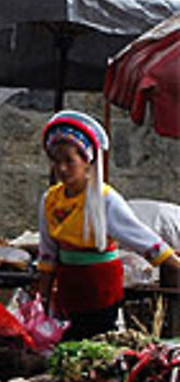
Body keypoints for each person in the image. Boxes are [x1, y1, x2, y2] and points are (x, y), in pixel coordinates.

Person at [37, 109, 180, 342]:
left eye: (69, 161)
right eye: (56, 161)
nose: (61, 168)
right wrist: (42, 298)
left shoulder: (105, 199)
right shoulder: (50, 200)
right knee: (67, 343)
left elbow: (142, 238)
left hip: (100, 286)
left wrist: (175, 264)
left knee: (95, 343)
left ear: (87, 161)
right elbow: (48, 254)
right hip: (69, 284)